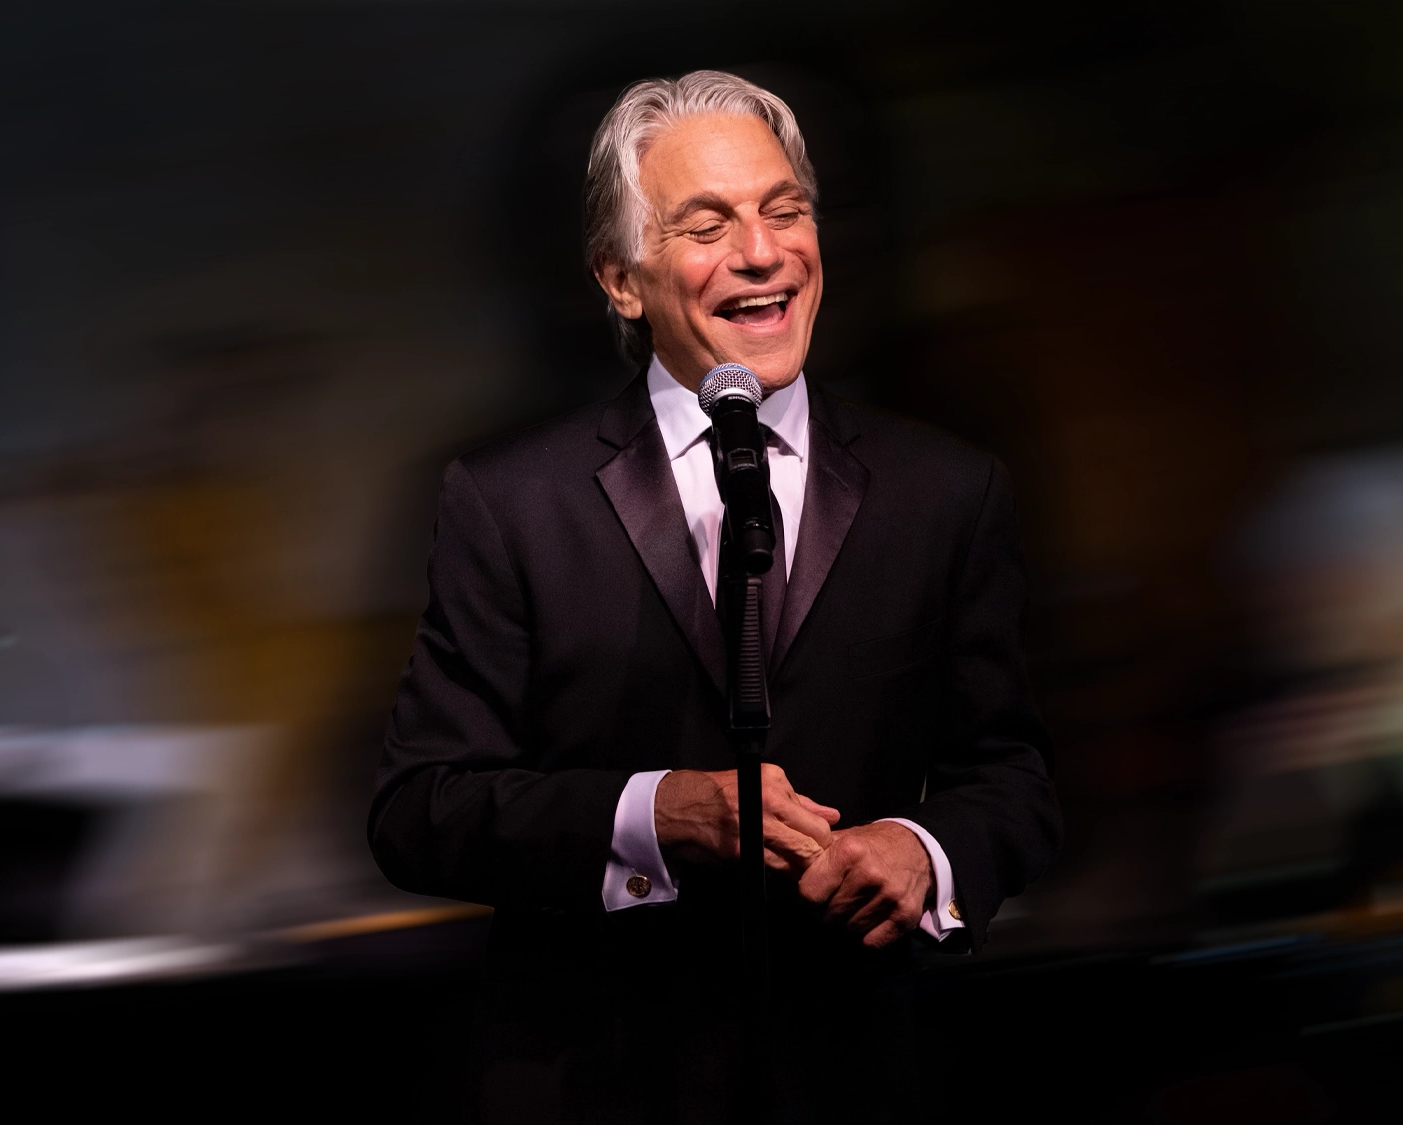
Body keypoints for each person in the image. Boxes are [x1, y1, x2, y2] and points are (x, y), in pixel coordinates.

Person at [370, 70, 1060, 1122]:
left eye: (783, 211)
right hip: (595, 1084)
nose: (761, 251)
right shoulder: (511, 503)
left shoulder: (945, 492)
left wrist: (923, 851)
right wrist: (654, 813)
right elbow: (420, 811)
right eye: (707, 225)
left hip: (853, 1077)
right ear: (618, 279)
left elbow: (1011, 779)